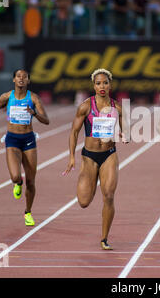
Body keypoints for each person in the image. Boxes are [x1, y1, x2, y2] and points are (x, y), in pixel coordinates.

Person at [62, 68, 128, 250]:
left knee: (108, 195)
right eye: (98, 83)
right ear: (93, 85)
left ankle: (104, 238)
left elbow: (126, 132)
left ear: (110, 85)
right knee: (83, 202)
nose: (102, 86)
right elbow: (74, 132)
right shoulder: (85, 106)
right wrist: (71, 157)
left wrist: (124, 135)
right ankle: (91, 182)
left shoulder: (117, 108)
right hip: (89, 157)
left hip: (109, 155)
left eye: (105, 83)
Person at [0, 69, 50, 226]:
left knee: (31, 181)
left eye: (25, 77)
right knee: (16, 176)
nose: (21, 79)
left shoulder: (34, 98)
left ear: (28, 81)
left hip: (29, 140)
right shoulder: (6, 97)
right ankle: (18, 183)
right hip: (12, 139)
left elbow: (46, 120)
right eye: (18, 76)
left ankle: (28, 212)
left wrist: (34, 113)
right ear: (14, 80)